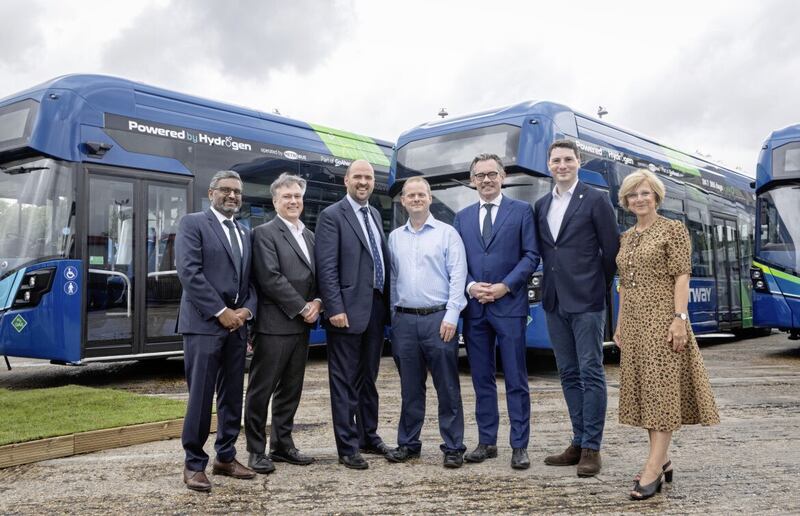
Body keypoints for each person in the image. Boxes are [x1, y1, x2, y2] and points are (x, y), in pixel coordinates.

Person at [614, 168, 720, 500]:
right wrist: (619, 324)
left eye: (645, 193)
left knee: (661, 394)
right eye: (633, 194)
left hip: (663, 321)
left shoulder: (673, 230)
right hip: (633, 325)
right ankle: (662, 459)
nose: (639, 199)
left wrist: (679, 319)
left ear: (656, 196)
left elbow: (681, 277)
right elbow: (624, 286)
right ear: (626, 201)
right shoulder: (627, 237)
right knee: (646, 394)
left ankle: (653, 469)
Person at [534, 140, 620, 477]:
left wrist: (596, 286)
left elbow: (611, 250)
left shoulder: (595, 200)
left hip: (587, 301)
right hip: (555, 300)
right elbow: (547, 251)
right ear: (549, 164)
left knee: (590, 371)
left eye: (568, 159)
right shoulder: (541, 205)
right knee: (567, 372)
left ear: (578, 162)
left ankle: (592, 448)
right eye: (556, 160)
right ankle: (577, 439)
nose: (562, 165)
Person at [453, 153, 539, 470]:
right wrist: (471, 286)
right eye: (479, 175)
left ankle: (519, 446)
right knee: (481, 380)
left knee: (516, 378)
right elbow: (455, 262)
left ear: (502, 176)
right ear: (472, 180)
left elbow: (531, 255)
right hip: (475, 310)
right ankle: (487, 442)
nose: (486, 180)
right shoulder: (461, 218)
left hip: (509, 306)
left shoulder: (521, 212)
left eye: (492, 174)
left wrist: (505, 286)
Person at [175, 170, 257, 492]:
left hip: (237, 328)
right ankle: (193, 464)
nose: (232, 196)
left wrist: (246, 311)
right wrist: (221, 312)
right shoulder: (193, 224)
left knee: (232, 396)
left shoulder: (244, 232)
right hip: (203, 326)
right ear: (211, 194)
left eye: (237, 191)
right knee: (200, 398)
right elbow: (189, 273)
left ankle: (225, 457)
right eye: (225, 190)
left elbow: (251, 281)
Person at [385, 177, 468, 468]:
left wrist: (452, 315)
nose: (416, 199)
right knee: (410, 388)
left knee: (447, 388)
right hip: (405, 321)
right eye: (411, 195)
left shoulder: (447, 234)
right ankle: (408, 443)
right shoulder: (395, 237)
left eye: (421, 194)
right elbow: (392, 280)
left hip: (438, 319)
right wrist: (394, 318)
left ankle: (454, 446)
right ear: (404, 201)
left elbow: (458, 276)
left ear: (430, 198)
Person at [315, 159, 391, 469]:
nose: (363, 182)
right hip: (345, 312)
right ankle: (347, 447)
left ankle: (367, 435)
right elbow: (327, 267)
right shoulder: (332, 215)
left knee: (368, 379)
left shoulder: (373, 213)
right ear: (346, 180)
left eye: (368, 177)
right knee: (344, 381)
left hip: (375, 307)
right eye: (358, 177)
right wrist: (335, 308)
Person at [244, 173, 321, 474]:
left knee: (291, 389)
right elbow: (270, 278)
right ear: (275, 201)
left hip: (302, 326)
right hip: (274, 325)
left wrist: (318, 303)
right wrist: (303, 307)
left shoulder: (311, 236)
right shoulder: (264, 233)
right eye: (287, 196)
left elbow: (318, 276)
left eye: (297, 196)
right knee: (261, 391)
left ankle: (283, 446)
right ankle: (255, 450)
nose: (293, 201)